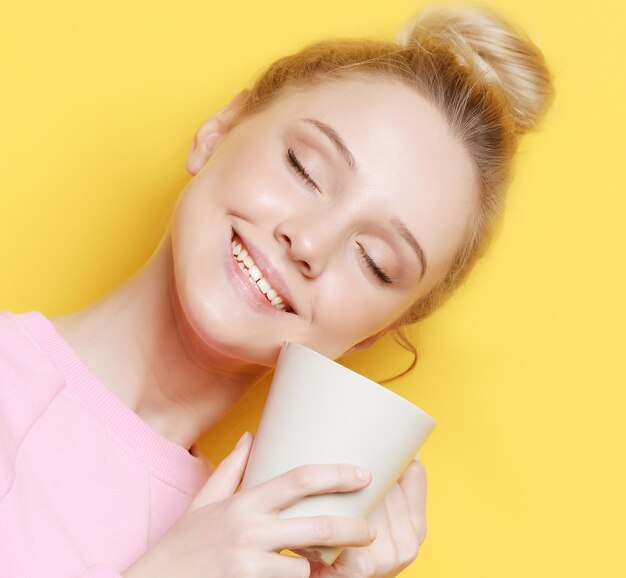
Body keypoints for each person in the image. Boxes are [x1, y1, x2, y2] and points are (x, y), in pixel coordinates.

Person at [0, 3, 555, 577]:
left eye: (375, 262)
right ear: (219, 130)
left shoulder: (251, 551)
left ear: (375, 334)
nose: (308, 242)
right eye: (305, 168)